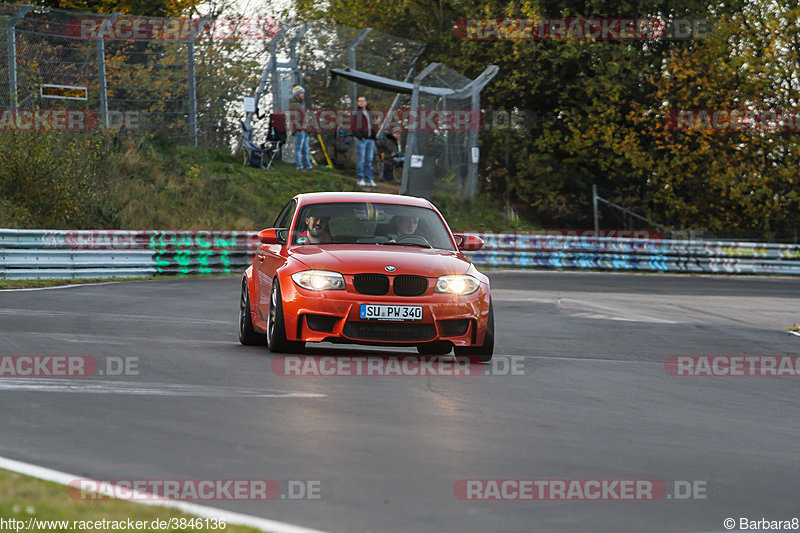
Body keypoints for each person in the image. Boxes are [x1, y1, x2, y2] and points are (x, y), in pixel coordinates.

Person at [350, 95, 378, 187]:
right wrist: (360, 136)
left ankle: (369, 179)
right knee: (361, 159)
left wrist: (374, 136)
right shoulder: (356, 114)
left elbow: (373, 125)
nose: (361, 102)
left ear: (366, 102)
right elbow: (353, 128)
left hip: (371, 139)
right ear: (358, 103)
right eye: (359, 101)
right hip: (362, 140)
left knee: (369, 160)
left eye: (363, 100)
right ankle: (361, 178)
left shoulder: (370, 113)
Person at [289, 85, 313, 171]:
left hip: (305, 129)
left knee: (305, 149)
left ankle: (308, 166)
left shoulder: (301, 104)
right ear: (297, 95)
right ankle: (299, 166)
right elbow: (293, 119)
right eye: (301, 93)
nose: (303, 94)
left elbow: (304, 117)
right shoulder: (294, 105)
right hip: (300, 130)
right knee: (298, 149)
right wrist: (299, 128)